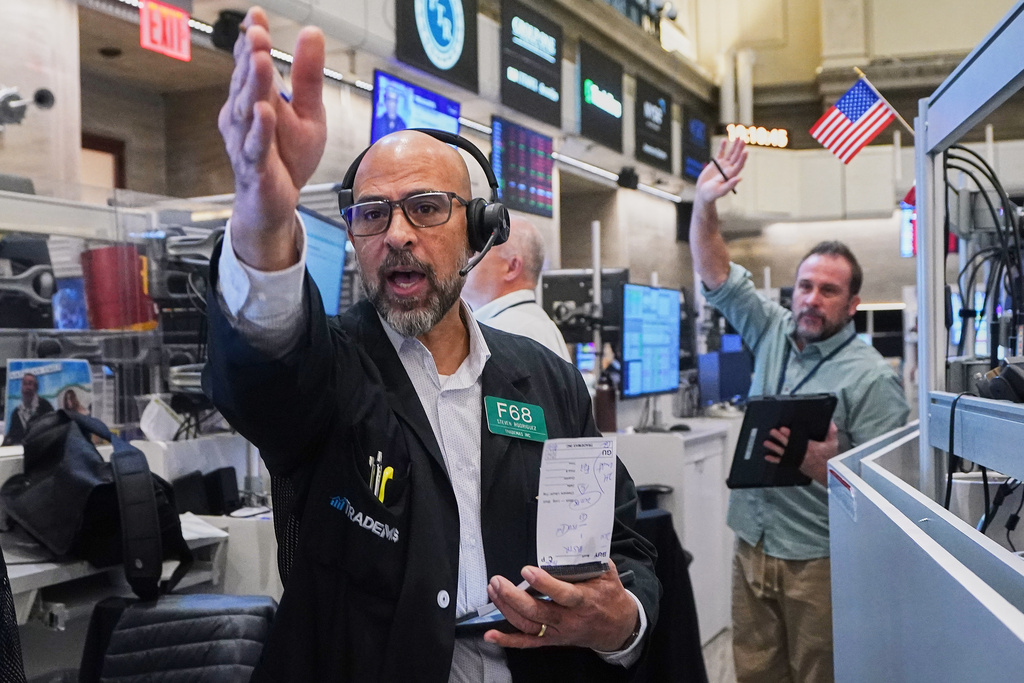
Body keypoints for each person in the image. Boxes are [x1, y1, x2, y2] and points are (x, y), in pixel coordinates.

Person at [204, 8, 659, 682]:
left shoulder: (547, 382)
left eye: (425, 207)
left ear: (479, 232)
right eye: (373, 213)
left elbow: (625, 549)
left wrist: (621, 622)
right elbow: (262, 373)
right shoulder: (330, 372)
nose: (396, 233)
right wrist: (262, 222)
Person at [689, 139, 909, 683]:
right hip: (752, 545)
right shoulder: (772, 329)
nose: (811, 299)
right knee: (755, 673)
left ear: (853, 304)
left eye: (828, 291)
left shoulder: (873, 378)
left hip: (820, 560)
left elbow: (895, 493)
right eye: (805, 286)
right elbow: (717, 272)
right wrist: (703, 205)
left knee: (819, 675)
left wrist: (835, 467)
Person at [462, 215, 571, 362]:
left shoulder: (505, 333)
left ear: (512, 267)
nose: (465, 259)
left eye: (478, 251)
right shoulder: (535, 326)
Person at [2, 373, 54, 446]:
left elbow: (53, 431)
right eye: (25, 384)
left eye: (30, 384)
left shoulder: (45, 406)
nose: (27, 387)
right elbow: (12, 436)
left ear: (36, 387)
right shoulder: (16, 412)